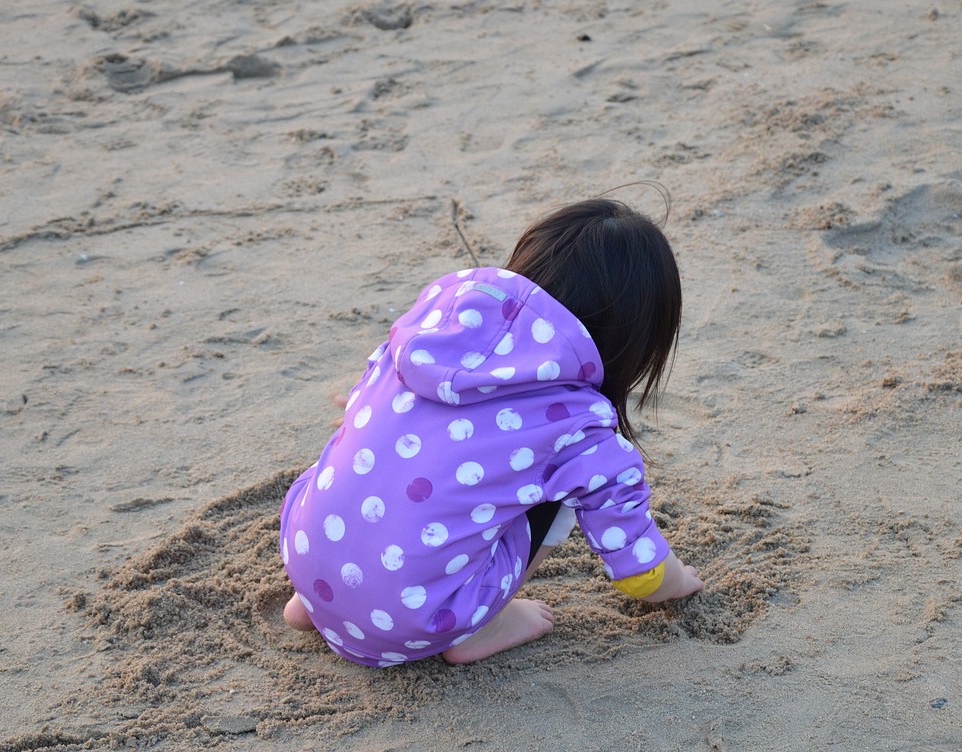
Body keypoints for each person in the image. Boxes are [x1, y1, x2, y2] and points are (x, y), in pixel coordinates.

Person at [279, 198, 703, 666]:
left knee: (380, 452)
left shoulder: (433, 332)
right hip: (413, 621)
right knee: (555, 488)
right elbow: (640, 573)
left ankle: (315, 605)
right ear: (636, 343)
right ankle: (480, 628)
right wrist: (680, 580)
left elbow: (359, 404)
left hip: (305, 557)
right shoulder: (577, 426)